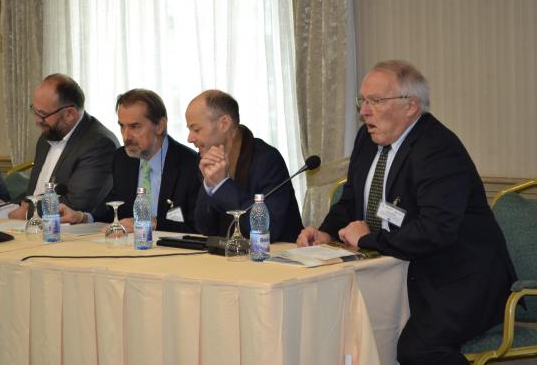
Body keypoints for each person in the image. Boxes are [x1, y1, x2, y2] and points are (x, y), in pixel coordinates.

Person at [297, 60, 516, 365]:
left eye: (376, 101)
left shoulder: (438, 149)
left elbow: (436, 229)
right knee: (342, 326)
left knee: (417, 350)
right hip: (400, 269)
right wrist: (327, 232)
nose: (364, 111)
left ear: (411, 106)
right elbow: (351, 201)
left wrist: (369, 239)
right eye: (363, 100)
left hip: (460, 278)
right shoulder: (367, 139)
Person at [60, 89, 200, 232]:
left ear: (160, 126)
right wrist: (82, 217)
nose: (126, 136)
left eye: (135, 127)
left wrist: (150, 223)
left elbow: (198, 226)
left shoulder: (191, 164)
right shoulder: (122, 158)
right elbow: (114, 210)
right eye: (122, 126)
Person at [185, 89, 302, 242]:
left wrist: (221, 184)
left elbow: (267, 229)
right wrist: (209, 184)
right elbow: (203, 228)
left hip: (274, 256)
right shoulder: (208, 159)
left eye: (196, 129)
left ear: (224, 124)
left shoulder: (266, 160)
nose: (190, 138)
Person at [8, 74, 119, 219]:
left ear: (70, 114)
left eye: (42, 114)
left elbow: (77, 204)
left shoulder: (99, 144)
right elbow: (36, 192)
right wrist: (10, 205)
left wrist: (28, 211)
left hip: (75, 234)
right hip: (35, 228)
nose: (36, 120)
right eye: (34, 111)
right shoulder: (47, 137)